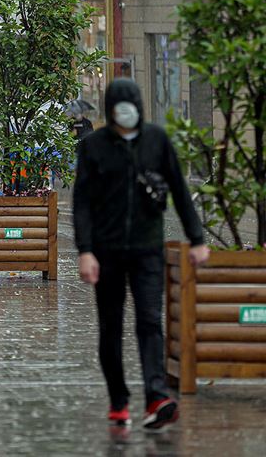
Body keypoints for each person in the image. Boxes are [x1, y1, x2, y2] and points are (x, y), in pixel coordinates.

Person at [74, 78, 210, 430]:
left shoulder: (156, 140)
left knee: (150, 321)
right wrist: (85, 251)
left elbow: (180, 190)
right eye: (119, 105)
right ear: (109, 109)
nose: (126, 111)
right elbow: (82, 203)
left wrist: (196, 238)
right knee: (111, 327)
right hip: (106, 251)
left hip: (147, 248)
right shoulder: (94, 147)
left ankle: (156, 395)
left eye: (130, 103)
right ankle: (118, 400)